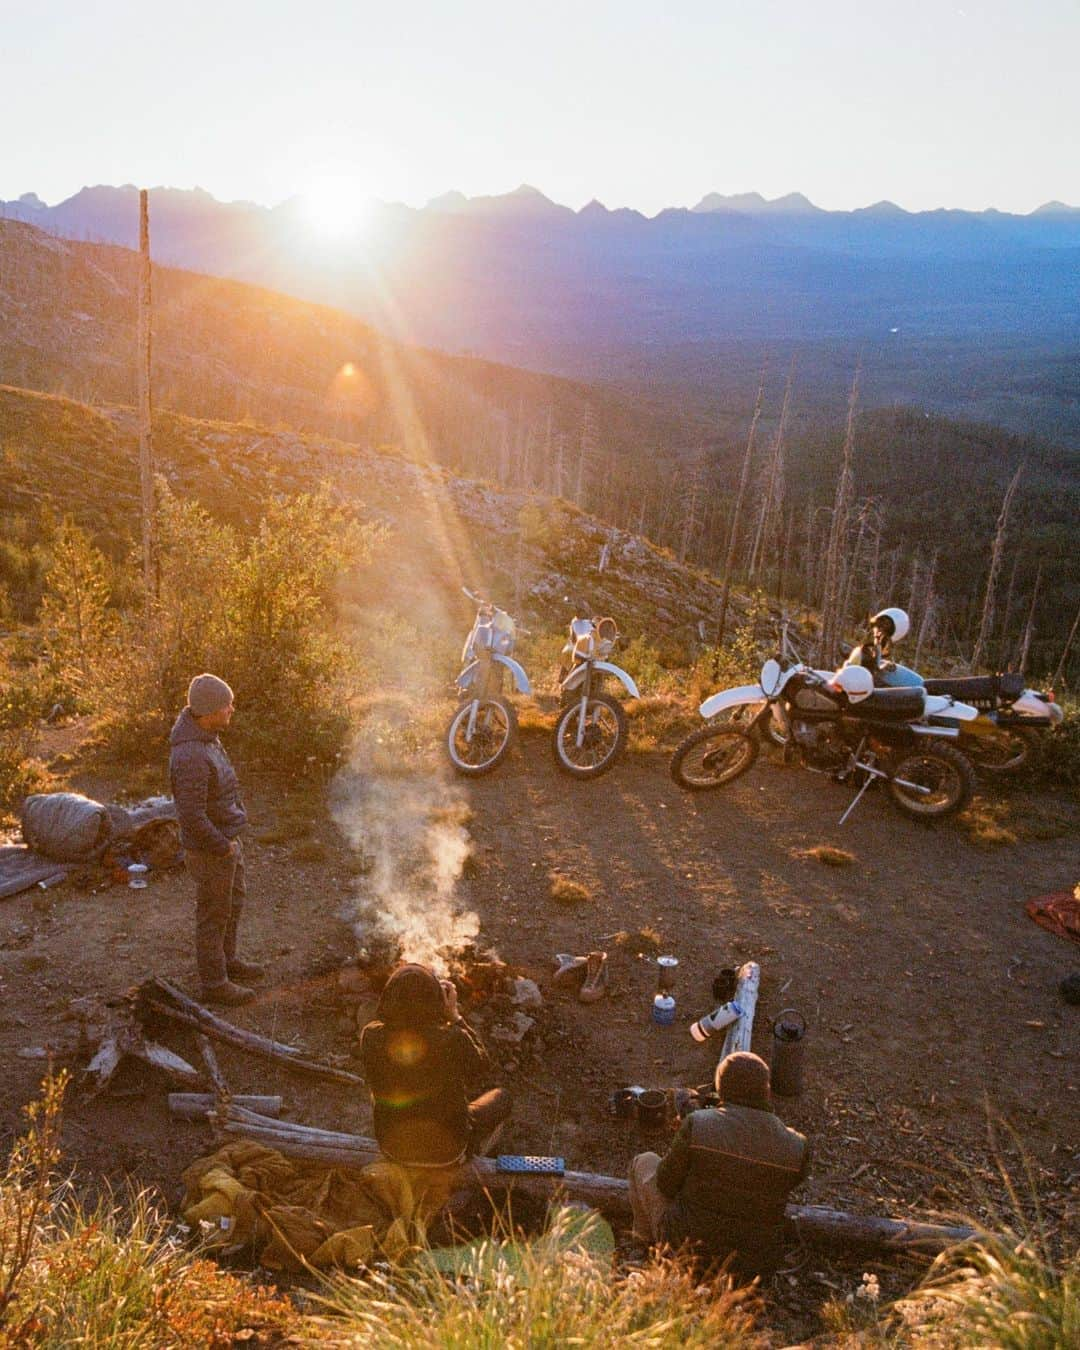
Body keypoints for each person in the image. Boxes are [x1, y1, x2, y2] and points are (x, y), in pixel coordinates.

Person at [628, 1052, 810, 1276]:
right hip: (754, 1269)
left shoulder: (698, 1124)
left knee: (644, 1161)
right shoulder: (798, 1146)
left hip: (690, 1253)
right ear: (768, 1091)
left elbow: (666, 1184)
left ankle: (645, 1247)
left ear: (720, 1091)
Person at [169, 674, 263, 1006]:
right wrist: (222, 846)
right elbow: (191, 816)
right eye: (226, 705)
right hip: (212, 849)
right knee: (213, 914)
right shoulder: (190, 755)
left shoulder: (209, 737)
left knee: (232, 904)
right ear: (209, 710)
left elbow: (222, 789)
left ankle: (228, 961)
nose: (231, 709)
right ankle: (214, 982)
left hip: (227, 840)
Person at [360, 963, 511, 1167]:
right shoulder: (452, 1039)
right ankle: (474, 1150)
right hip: (447, 1153)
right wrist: (455, 1016)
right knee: (502, 1096)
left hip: (392, 1148)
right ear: (437, 1001)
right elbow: (482, 1066)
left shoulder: (370, 1036)